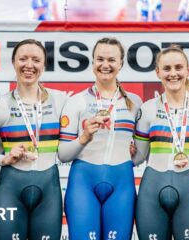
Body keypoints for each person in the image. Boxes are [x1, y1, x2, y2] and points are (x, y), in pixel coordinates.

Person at [0, 39, 67, 240]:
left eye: (36, 60)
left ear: (44, 65)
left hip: (48, 191)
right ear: (14, 62)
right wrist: (4, 159)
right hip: (10, 190)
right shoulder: (0, 105)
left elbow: (78, 139)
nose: (29, 65)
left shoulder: (61, 101)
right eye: (23, 59)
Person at [58, 37, 142, 240]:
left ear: (121, 63)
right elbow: (62, 154)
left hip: (121, 182)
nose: (105, 65)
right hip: (83, 183)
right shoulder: (75, 101)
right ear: (93, 62)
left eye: (112, 60)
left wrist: (131, 154)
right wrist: (84, 137)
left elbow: (140, 155)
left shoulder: (135, 102)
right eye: (100, 59)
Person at [133, 44, 189, 239]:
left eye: (178, 68)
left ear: (188, 70)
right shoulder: (147, 109)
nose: (173, 74)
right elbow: (138, 158)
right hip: (151, 190)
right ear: (157, 72)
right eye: (167, 68)